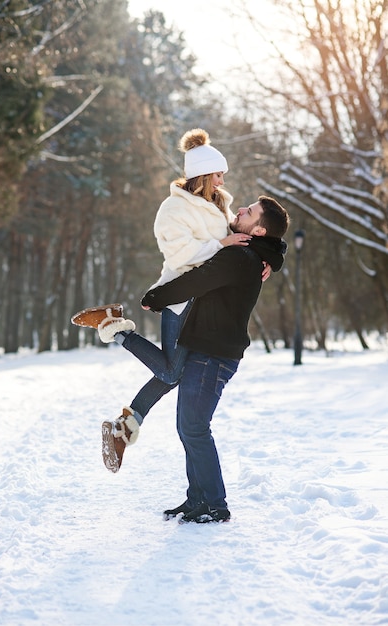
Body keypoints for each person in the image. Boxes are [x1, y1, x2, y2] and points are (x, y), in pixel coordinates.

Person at [72, 129, 268, 467]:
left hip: (204, 304)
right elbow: (181, 256)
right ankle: (113, 326)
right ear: (203, 175)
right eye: (218, 174)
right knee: (173, 372)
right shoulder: (173, 210)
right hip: (180, 297)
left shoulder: (218, 205)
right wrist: (222, 245)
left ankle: (124, 427)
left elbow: (247, 238)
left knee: (175, 373)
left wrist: (264, 259)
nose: (223, 180)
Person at [101, 195, 290, 523]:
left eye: (249, 212)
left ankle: (216, 504)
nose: (240, 210)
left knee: (195, 428)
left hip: (213, 355)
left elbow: (197, 280)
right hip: (207, 350)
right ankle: (197, 501)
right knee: (189, 428)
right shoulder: (250, 255)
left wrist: (156, 297)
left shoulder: (241, 257)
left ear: (258, 230)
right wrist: (273, 256)